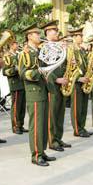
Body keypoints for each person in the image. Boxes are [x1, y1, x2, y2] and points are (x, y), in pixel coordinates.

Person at [18, 24, 55, 167]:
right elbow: (23, 73)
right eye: (37, 34)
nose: (39, 36)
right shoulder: (25, 53)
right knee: (36, 125)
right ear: (29, 36)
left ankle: (42, 151)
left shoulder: (39, 51)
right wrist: (37, 72)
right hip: (34, 92)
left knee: (44, 124)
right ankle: (36, 155)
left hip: (43, 90)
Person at [41, 20, 71, 151]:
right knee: (52, 115)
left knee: (60, 113)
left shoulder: (59, 46)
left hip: (62, 84)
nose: (57, 32)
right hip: (51, 85)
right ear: (47, 32)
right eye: (54, 30)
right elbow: (42, 68)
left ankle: (58, 138)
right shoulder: (44, 47)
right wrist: (56, 79)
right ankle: (52, 141)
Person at [69, 27, 93, 138]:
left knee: (83, 106)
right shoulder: (71, 50)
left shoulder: (82, 50)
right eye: (80, 36)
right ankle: (77, 129)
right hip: (76, 82)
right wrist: (78, 78)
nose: (82, 38)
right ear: (74, 37)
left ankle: (82, 127)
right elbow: (69, 68)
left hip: (85, 80)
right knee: (76, 108)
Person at [3, 39, 27, 134]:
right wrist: (15, 69)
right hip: (15, 83)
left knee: (22, 106)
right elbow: (5, 71)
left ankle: (21, 125)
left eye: (17, 43)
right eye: (15, 43)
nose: (17, 45)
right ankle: (15, 126)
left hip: (22, 82)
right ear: (11, 45)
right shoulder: (8, 56)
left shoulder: (18, 55)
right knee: (16, 106)